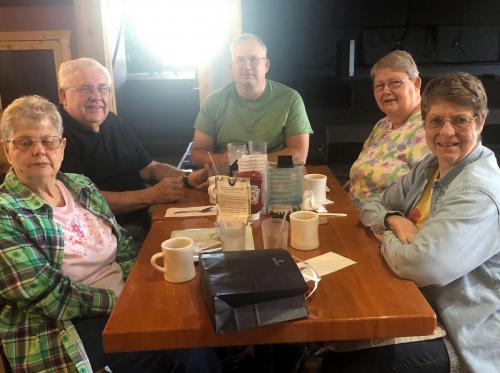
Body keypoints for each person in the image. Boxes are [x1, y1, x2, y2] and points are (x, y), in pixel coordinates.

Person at [0, 95, 220, 373]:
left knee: (200, 299)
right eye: (25, 142)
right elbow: (53, 297)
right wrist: (128, 300)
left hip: (125, 299)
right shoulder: (7, 213)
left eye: (48, 140)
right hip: (61, 330)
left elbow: (124, 245)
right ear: (7, 150)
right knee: (181, 342)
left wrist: (148, 289)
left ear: (62, 146)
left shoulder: (80, 186)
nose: (39, 150)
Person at [322, 73, 500, 372]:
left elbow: (419, 266)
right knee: (331, 334)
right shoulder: (430, 166)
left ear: (480, 121)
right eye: (436, 121)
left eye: (460, 120)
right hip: (414, 302)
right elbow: (372, 205)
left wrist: (383, 236)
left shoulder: (478, 191)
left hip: (461, 333)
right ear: (424, 122)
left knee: (347, 364)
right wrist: (394, 219)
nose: (446, 132)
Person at [58, 58, 210, 242]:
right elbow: (83, 201)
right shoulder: (56, 137)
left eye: (102, 88)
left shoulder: (113, 122)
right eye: (86, 89)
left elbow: (150, 168)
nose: (96, 97)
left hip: (143, 218)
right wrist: (148, 196)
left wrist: (186, 177)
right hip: (104, 232)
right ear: (63, 96)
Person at [191, 33, 313, 166]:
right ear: (231, 66)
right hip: (228, 181)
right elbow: (197, 155)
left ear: (266, 65)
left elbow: (299, 155)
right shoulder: (214, 101)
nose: (246, 65)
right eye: (239, 59)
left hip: (276, 179)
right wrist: (221, 160)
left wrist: (249, 163)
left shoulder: (290, 98)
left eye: (254, 59)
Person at [348, 50, 430, 207]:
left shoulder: (430, 128)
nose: (386, 90)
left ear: (416, 84)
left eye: (395, 83)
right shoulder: (382, 125)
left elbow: (422, 198)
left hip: (386, 223)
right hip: (354, 211)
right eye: (379, 86)